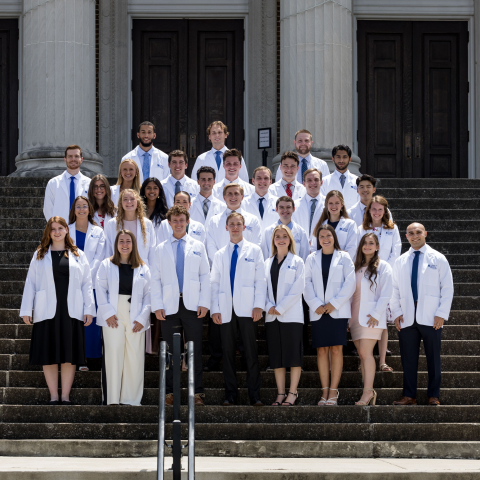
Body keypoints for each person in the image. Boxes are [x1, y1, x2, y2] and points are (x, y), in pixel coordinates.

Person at [20, 217, 94, 405]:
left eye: (61, 228)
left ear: (67, 230)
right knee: (49, 353)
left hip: (71, 310)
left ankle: (65, 396)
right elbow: (31, 283)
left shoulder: (78, 254)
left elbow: (87, 283)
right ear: (48, 232)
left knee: (69, 355)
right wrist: (27, 309)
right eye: (53, 229)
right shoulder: (40, 254)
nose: (57, 232)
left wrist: (89, 309)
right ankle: (54, 396)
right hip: (46, 311)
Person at [151, 205, 211, 407]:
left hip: (193, 304)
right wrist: (157, 305)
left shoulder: (198, 246)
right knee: (170, 352)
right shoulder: (160, 248)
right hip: (169, 306)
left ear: (187, 222)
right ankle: (170, 392)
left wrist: (204, 302)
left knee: (194, 349)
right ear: (169, 223)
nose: (178, 223)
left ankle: (197, 393)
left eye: (181, 220)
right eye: (174, 220)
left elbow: (205, 275)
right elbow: (155, 279)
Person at [391, 223, 454, 406]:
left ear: (425, 233)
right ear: (406, 236)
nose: (415, 235)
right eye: (411, 233)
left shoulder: (438, 258)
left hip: (431, 316)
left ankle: (433, 395)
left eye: (418, 232)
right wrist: (396, 313)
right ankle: (409, 395)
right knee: (408, 359)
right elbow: (394, 289)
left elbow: (447, 288)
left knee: (433, 358)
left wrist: (442, 313)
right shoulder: (400, 261)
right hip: (407, 317)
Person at [210, 212, 267, 406]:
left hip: (248, 308)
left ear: (244, 227)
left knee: (251, 352)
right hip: (226, 309)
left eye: (238, 224)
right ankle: (230, 395)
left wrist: (259, 305)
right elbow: (214, 283)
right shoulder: (219, 254)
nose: (235, 227)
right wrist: (215, 309)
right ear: (226, 228)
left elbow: (261, 280)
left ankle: (255, 395)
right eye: (232, 224)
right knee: (228, 353)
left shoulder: (255, 251)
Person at [96, 230, 151, 405]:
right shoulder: (106, 264)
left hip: (136, 315)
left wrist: (143, 318)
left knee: (134, 357)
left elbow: (149, 295)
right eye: (121, 241)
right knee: (113, 354)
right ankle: (112, 398)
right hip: (113, 314)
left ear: (133, 245)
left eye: (128, 241)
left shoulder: (143, 267)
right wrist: (107, 313)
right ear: (116, 244)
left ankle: (131, 399)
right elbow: (99, 289)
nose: (125, 244)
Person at [304, 225, 356, 406]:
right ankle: (324, 390)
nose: (325, 239)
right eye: (321, 236)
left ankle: (333, 391)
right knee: (321, 351)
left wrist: (334, 303)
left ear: (334, 237)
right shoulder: (311, 258)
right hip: (318, 311)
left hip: (337, 310)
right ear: (317, 240)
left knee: (336, 349)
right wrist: (316, 304)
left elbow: (350, 282)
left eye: (328, 235)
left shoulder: (345, 257)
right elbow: (306, 282)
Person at [358, 195, 401, 372]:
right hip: (367, 275)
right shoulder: (362, 228)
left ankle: (382, 361)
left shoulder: (392, 228)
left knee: (382, 320)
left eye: (380, 209)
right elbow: (359, 250)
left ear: (385, 211)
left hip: (385, 274)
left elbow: (395, 250)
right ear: (369, 210)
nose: (376, 212)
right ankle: (364, 360)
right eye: (373, 209)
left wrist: (383, 269)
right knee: (365, 317)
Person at [264, 225, 305, 406]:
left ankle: (292, 393)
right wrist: (268, 306)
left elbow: (298, 288)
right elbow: (261, 288)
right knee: (277, 357)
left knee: (293, 356)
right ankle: (280, 393)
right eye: (277, 236)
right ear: (273, 240)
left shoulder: (298, 262)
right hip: (271, 316)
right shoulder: (266, 263)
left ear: (290, 240)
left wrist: (280, 307)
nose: (281, 239)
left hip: (291, 316)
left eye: (284, 236)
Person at [350, 233, 393, 405]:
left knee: (365, 353)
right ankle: (367, 391)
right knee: (362, 355)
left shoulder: (383, 266)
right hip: (355, 318)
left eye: (371, 243)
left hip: (371, 318)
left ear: (377, 247)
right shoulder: (356, 267)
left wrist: (376, 314)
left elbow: (387, 292)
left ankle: (368, 392)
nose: (367, 246)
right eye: (364, 243)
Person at [68, 196, 106, 370]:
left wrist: (86, 276)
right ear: (73, 210)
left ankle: (87, 357)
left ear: (90, 209)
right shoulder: (66, 230)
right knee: (72, 320)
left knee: (89, 320)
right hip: (70, 281)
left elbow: (100, 256)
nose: (81, 209)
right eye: (78, 206)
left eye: (84, 206)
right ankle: (75, 357)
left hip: (92, 281)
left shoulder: (98, 232)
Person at [206, 183, 262, 264]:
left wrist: (243, 262)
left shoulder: (253, 220)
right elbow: (211, 246)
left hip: (246, 264)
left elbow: (256, 245)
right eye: (229, 194)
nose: (233, 197)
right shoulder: (214, 221)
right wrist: (223, 263)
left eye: (236, 194)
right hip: (221, 266)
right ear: (224, 197)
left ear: (242, 197)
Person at [104, 189, 156, 266]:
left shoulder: (147, 224)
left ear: (137, 203)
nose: (129, 202)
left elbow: (152, 251)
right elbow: (108, 250)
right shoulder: (112, 224)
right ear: (121, 203)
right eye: (125, 199)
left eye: (132, 199)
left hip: (141, 268)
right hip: (118, 267)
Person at [43, 145, 91, 222]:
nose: (73, 159)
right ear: (65, 159)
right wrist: (56, 228)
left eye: (76, 156)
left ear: (81, 159)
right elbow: (48, 210)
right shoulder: (53, 183)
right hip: (60, 230)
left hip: (82, 229)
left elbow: (92, 209)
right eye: (70, 156)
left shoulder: (89, 183)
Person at [311, 190, 358, 259]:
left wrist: (338, 263)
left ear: (342, 205)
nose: (334, 206)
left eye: (337, 203)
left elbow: (352, 249)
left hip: (343, 266)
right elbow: (314, 249)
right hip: (323, 265)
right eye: (330, 203)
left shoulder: (350, 224)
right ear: (326, 205)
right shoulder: (320, 225)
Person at [262, 196, 309, 262]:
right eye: (281, 207)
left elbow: (304, 257)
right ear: (276, 209)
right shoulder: (268, 231)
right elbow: (265, 256)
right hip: (273, 270)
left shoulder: (301, 232)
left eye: (288, 207)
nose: (285, 210)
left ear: (293, 209)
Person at [321, 145, 359, 210]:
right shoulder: (324, 181)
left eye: (345, 157)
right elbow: (322, 204)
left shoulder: (357, 181)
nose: (341, 160)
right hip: (332, 218)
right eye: (338, 157)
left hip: (352, 218)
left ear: (350, 159)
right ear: (333, 159)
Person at [292, 168, 325, 238]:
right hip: (300, 246)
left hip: (322, 246)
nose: (313, 183)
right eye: (309, 180)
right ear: (304, 183)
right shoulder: (295, 205)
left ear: (321, 182)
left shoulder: (329, 204)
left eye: (316, 180)